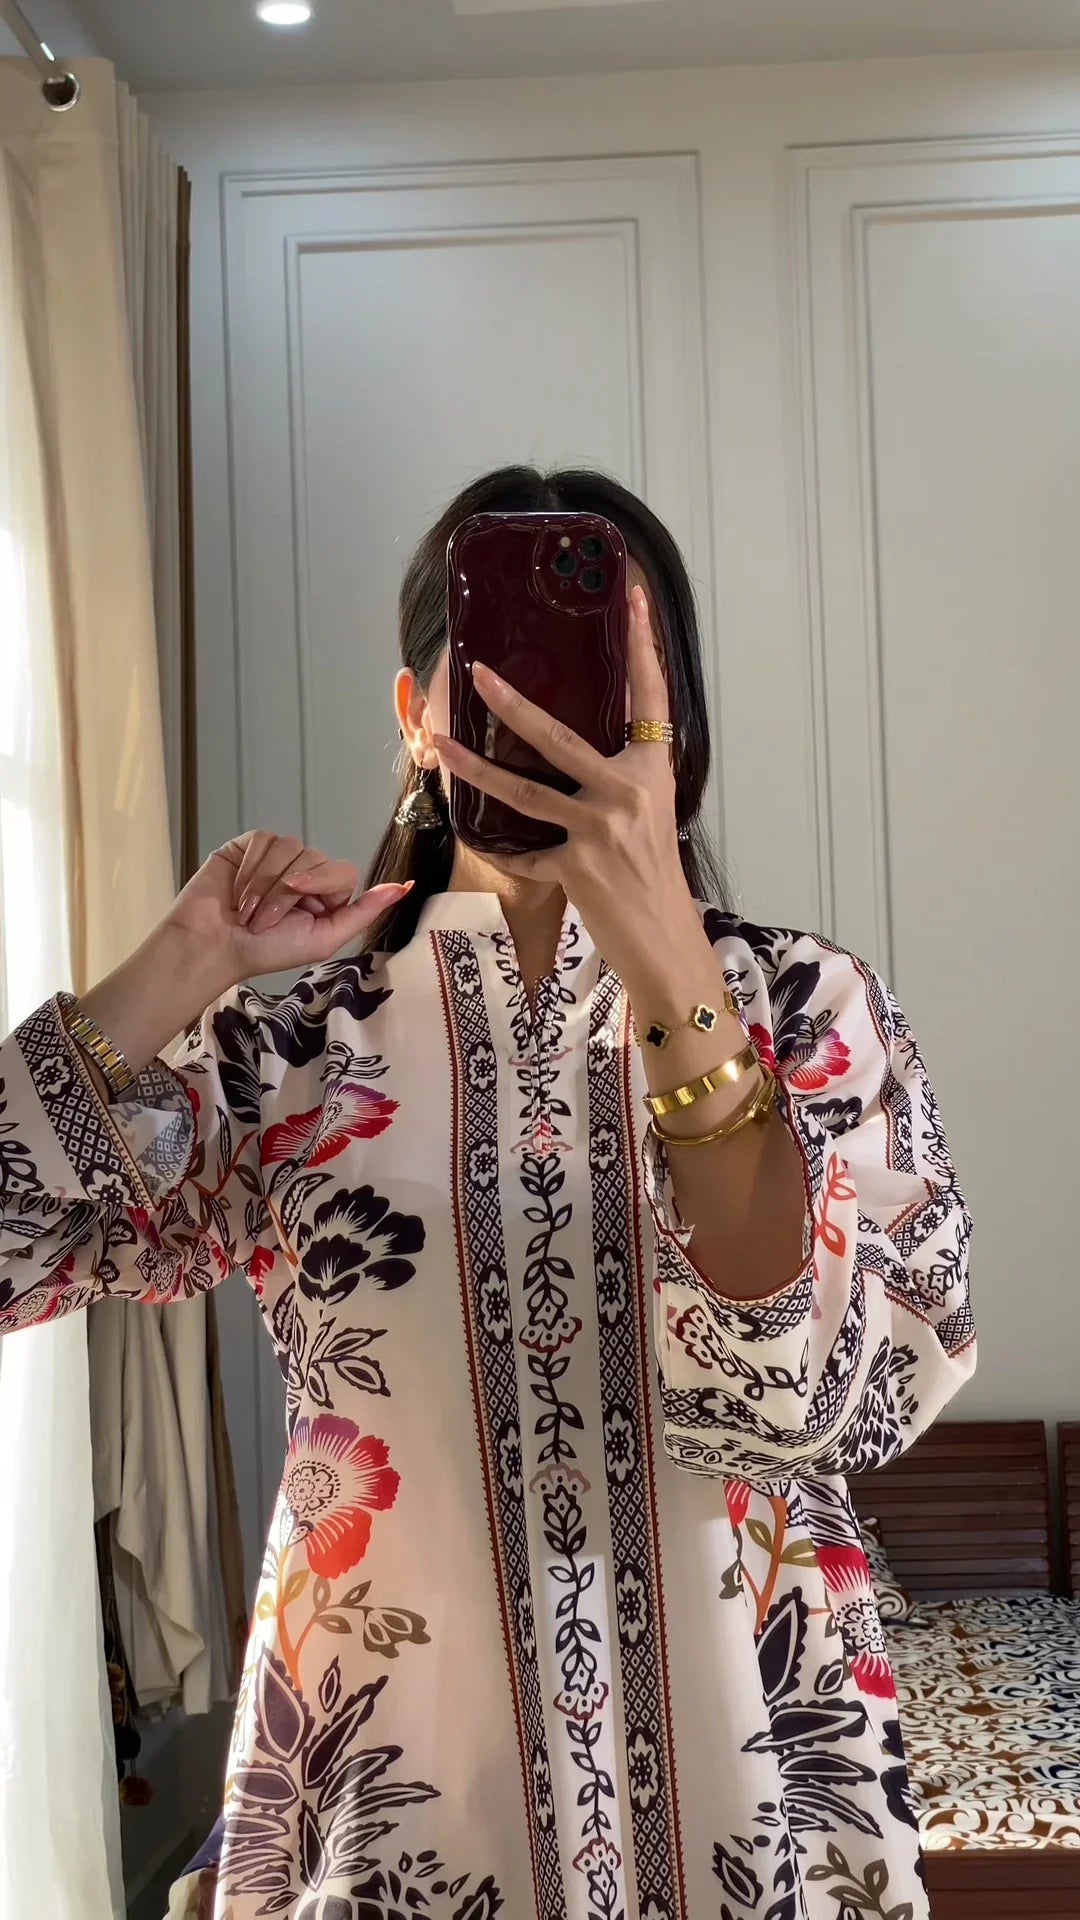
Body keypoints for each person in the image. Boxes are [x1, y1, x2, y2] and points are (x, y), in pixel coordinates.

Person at [0, 467, 974, 1920]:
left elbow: (828, 1410)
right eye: (501, 674)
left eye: (598, 679)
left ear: (673, 720)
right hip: (394, 1806)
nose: (544, 717)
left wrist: (671, 969)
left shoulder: (807, 1009)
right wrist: (182, 962)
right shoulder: (290, 1048)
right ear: (417, 715)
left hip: (759, 1807)